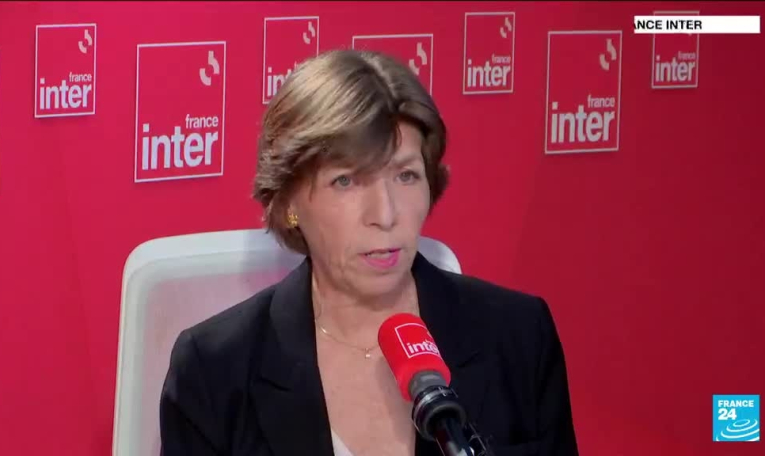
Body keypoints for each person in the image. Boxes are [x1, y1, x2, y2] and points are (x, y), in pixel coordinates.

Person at [159, 48, 579, 456]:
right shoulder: (215, 369)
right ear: (288, 203)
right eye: (347, 181)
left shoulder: (517, 336)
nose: (385, 214)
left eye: (406, 175)